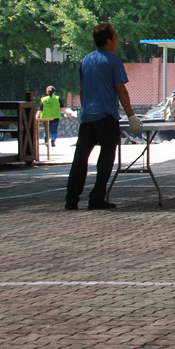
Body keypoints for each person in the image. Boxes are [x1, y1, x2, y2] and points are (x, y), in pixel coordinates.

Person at [65, 23, 142, 210]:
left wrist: (86, 109)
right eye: (115, 37)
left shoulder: (86, 60)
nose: (117, 41)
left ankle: (71, 199)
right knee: (106, 157)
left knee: (80, 158)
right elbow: (121, 90)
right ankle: (97, 197)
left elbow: (82, 90)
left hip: (87, 116)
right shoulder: (113, 61)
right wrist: (131, 115)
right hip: (106, 115)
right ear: (108, 41)